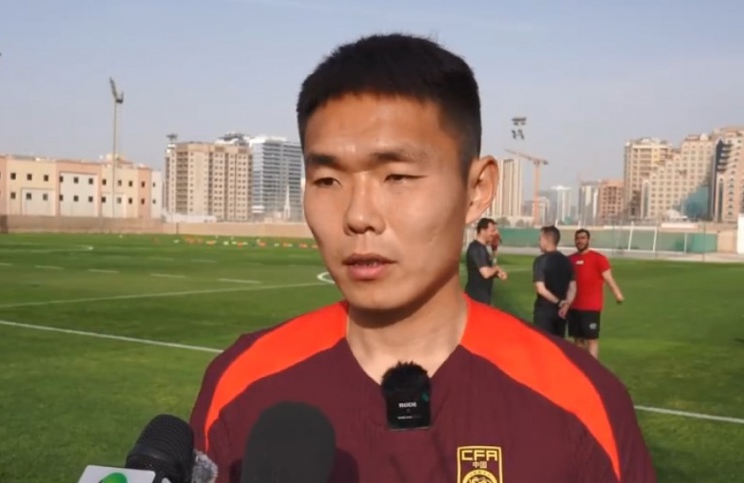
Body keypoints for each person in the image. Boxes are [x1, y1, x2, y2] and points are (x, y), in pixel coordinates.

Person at [189, 33, 655, 483]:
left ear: (477, 190)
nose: (358, 216)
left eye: (398, 177)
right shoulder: (241, 382)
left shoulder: (580, 399)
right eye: (328, 181)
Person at [568, 228, 625, 359]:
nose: (580, 241)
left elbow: (608, 278)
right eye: (577, 238)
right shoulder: (570, 259)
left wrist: (617, 294)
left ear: (589, 240)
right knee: (577, 340)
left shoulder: (599, 259)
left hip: (591, 308)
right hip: (573, 306)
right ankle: (580, 365)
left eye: (583, 238)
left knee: (591, 339)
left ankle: (592, 367)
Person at [532, 225, 577, 338]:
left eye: (540, 239)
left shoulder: (541, 261)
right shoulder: (567, 261)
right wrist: (566, 305)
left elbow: (540, 289)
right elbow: (572, 288)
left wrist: (559, 302)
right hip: (561, 313)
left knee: (542, 343)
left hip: (544, 312)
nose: (539, 242)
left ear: (547, 240)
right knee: (557, 344)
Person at [464, 217, 507, 305]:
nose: (494, 234)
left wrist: (496, 274)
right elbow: (486, 273)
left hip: (482, 297)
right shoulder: (477, 249)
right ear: (482, 231)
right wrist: (497, 268)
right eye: (492, 231)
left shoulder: (481, 248)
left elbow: (485, 271)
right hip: (476, 298)